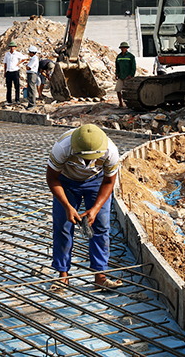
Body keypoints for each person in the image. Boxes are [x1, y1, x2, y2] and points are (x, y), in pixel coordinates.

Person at [46, 124, 122, 292]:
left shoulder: (111, 150)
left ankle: (100, 276)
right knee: (63, 226)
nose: (88, 162)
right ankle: (63, 275)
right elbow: (52, 178)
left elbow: (109, 182)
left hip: (96, 182)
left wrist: (95, 209)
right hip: (65, 181)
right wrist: (67, 206)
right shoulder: (63, 146)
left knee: (100, 226)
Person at [3, 40, 27, 104]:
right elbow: (5, 63)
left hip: (15, 71)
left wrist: (19, 62)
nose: (12, 48)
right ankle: (9, 100)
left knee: (17, 86)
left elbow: (25, 58)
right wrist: (5, 71)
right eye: (11, 47)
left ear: (15, 47)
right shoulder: (7, 54)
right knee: (9, 87)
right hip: (9, 71)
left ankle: (17, 99)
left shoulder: (17, 54)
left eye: (13, 47)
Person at [114, 41, 136, 108]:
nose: (123, 49)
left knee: (128, 91)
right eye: (122, 48)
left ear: (127, 48)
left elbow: (133, 67)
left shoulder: (131, 56)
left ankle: (130, 104)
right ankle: (120, 103)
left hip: (128, 77)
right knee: (118, 90)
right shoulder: (119, 56)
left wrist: (131, 75)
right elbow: (117, 66)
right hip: (121, 76)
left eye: (125, 48)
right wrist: (117, 73)